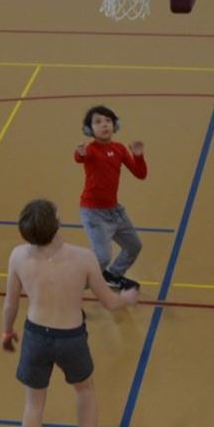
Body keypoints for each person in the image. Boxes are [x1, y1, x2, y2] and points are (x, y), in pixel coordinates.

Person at [0, 197, 137, 427]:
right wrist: (126, 298)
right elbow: (110, 301)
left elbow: (11, 302)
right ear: (57, 224)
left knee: (34, 404)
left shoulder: (18, 257)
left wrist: (7, 331)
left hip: (36, 336)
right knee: (85, 390)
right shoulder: (83, 258)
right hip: (71, 337)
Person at [75, 104, 148, 290]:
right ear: (89, 129)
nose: (104, 125)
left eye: (108, 120)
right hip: (93, 212)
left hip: (115, 211)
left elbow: (140, 174)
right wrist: (79, 153)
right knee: (102, 257)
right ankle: (76, 285)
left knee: (134, 246)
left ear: (115, 125)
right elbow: (80, 157)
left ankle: (113, 275)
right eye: (98, 122)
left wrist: (138, 156)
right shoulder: (91, 150)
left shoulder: (120, 149)